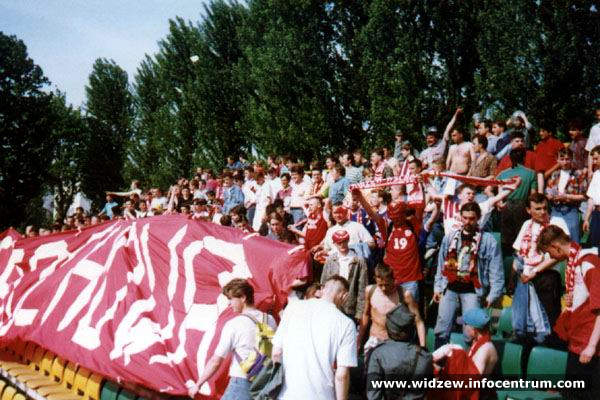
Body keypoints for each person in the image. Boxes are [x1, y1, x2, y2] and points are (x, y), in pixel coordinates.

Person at [537, 226, 600, 399]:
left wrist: (591, 346)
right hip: (577, 340)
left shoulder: (589, 262)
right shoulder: (574, 262)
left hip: (589, 346)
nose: (550, 258)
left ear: (556, 246)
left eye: (549, 252)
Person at [272, 275, 357, 400]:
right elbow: (341, 375)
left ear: (322, 289)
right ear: (344, 296)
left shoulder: (292, 308)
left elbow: (276, 353)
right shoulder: (346, 324)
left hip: (287, 394)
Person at [189, 279, 276, 400]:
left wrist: (198, 384)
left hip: (241, 383)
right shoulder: (270, 320)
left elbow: (216, 361)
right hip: (265, 383)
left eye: (231, 299)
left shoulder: (234, 324)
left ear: (243, 298)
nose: (230, 303)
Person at [433, 202, 504, 349]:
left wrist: (492, 296)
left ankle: (467, 366)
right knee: (441, 328)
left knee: (470, 332)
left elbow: (496, 271)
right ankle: (439, 364)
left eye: (471, 218)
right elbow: (441, 265)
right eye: (464, 218)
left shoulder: (488, 241)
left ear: (478, 218)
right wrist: (437, 288)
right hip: (450, 287)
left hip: (472, 290)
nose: (467, 222)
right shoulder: (450, 237)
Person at [511, 193, 567, 346]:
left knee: (550, 320)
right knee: (526, 321)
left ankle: (551, 345)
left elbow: (560, 254)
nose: (543, 212)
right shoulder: (526, 225)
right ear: (529, 210)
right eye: (538, 209)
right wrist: (519, 269)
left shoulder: (557, 222)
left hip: (547, 274)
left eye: (544, 208)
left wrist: (535, 272)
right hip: (526, 273)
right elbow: (518, 251)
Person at [366, 303, 433, 400]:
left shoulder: (378, 354)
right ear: (412, 331)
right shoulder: (425, 356)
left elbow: (373, 395)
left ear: (389, 329)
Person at [432, 307, 498, 400]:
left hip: (481, 394)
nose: (464, 327)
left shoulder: (485, 349)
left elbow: (473, 382)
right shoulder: (477, 342)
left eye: (466, 324)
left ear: (474, 329)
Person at [358, 264, 425, 354]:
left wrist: (423, 346)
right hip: (374, 341)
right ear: (375, 279)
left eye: (387, 284)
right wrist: (358, 341)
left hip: (396, 344)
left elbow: (418, 321)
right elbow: (365, 315)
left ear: (394, 280)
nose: (384, 288)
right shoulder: (370, 291)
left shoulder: (405, 295)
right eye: (380, 285)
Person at [497, 148, 538, 255]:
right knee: (521, 234)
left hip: (506, 205)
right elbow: (533, 195)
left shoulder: (503, 174)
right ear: (524, 158)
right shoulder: (531, 173)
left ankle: (506, 260)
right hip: (522, 206)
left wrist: (500, 203)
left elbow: (497, 191)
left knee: (506, 238)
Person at [320, 230, 368, 322]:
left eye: (344, 241)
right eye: (339, 243)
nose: (342, 245)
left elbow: (362, 287)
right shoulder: (330, 260)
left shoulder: (358, 260)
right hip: (332, 305)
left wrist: (360, 312)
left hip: (350, 307)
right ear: (334, 243)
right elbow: (323, 283)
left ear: (348, 240)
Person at [545, 148, 587, 243]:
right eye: (562, 159)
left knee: (574, 240)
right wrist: (549, 196)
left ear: (572, 159)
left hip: (571, 210)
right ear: (558, 160)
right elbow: (547, 192)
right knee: (553, 239)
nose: (565, 162)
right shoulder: (554, 174)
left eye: (568, 159)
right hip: (555, 209)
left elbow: (584, 196)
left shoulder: (578, 174)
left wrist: (567, 196)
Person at [584, 145, 600, 247]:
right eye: (593, 159)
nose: (594, 162)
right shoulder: (596, 174)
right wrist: (586, 219)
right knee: (594, 244)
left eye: (596, 158)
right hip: (597, 214)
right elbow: (591, 199)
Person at [585, 107, 600, 180]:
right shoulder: (594, 129)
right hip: (598, 168)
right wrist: (590, 170)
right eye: (598, 115)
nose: (599, 117)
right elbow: (591, 151)